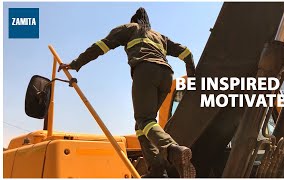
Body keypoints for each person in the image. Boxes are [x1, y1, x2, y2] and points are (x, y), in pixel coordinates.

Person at [58, 7, 196, 178]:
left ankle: (173, 149)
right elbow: (187, 53)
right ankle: (157, 170)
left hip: (145, 71)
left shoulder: (129, 29)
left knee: (144, 119)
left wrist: (75, 64)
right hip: (166, 75)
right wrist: (192, 78)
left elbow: (100, 47)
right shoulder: (160, 37)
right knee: (143, 125)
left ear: (133, 21)